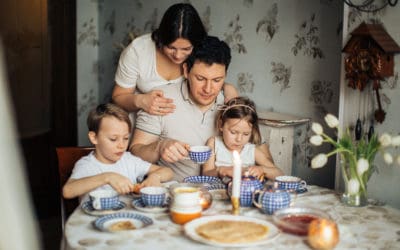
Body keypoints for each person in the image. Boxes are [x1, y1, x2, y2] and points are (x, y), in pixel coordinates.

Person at [130, 36, 274, 182]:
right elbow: (135, 153)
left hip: (224, 193)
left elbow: (263, 156)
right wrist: (160, 147)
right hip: (177, 191)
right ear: (186, 71)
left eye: (217, 80)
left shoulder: (231, 103)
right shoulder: (161, 98)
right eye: (200, 79)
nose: (208, 89)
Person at [112, 3, 237, 117]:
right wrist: (140, 100)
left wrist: (226, 87)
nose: (178, 56)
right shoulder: (138, 51)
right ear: (161, 39)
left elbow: (208, 75)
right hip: (142, 123)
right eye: (171, 47)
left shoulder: (199, 51)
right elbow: (118, 97)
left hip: (179, 125)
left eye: (186, 49)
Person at [62, 103, 173, 199]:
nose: (121, 145)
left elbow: (168, 171)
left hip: (126, 221)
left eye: (125, 138)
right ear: (94, 138)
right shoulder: (87, 165)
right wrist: (107, 177)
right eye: (113, 139)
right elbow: (67, 191)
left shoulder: (128, 160)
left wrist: (155, 176)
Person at [201, 97, 284, 180]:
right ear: (221, 125)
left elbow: (279, 174)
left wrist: (262, 169)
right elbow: (205, 174)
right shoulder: (214, 143)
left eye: (246, 134)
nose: (239, 139)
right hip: (217, 192)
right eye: (233, 132)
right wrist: (221, 170)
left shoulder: (251, 150)